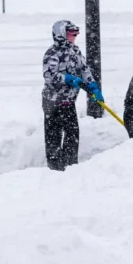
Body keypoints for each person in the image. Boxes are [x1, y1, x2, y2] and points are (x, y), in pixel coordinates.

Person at [41, 20, 102, 171]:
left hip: (68, 102)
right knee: (53, 137)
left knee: (72, 135)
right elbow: (49, 76)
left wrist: (92, 86)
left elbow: (84, 69)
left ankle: (70, 167)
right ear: (60, 34)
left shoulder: (75, 51)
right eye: (71, 34)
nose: (74, 37)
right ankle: (54, 169)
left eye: (75, 34)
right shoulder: (52, 54)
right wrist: (67, 78)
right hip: (52, 103)